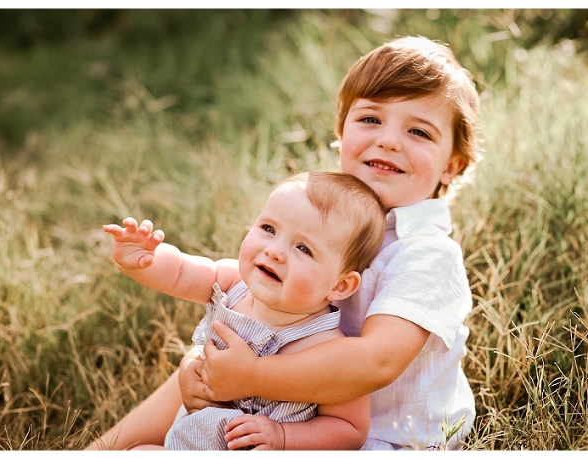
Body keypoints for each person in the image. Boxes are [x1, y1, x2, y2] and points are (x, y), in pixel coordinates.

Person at [87, 35, 482, 451]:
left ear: (450, 165)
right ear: (341, 131)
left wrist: (251, 375)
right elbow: (219, 280)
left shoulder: (427, 253)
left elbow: (376, 362)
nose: (388, 140)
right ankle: (101, 449)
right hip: (269, 408)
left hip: (381, 437)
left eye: (418, 131)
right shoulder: (313, 211)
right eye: (370, 119)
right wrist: (200, 367)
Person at [94, 172, 386, 450]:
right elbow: (181, 270)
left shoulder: (327, 348)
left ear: (340, 285)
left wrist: (283, 436)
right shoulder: (233, 282)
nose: (274, 251)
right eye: (268, 229)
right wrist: (147, 261)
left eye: (304, 248)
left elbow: (349, 428)